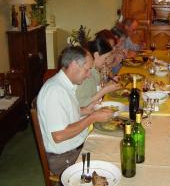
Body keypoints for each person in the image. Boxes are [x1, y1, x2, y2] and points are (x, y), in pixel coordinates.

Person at [37, 46, 114, 175]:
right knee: (111, 166)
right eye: (87, 69)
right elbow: (59, 135)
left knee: (112, 145)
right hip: (65, 158)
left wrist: (86, 110)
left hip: (77, 146)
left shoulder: (65, 85)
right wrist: (93, 117)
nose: (89, 75)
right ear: (74, 65)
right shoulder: (55, 91)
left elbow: (65, 112)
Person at [76, 35, 121, 108]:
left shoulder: (95, 70)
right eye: (106, 58)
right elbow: (81, 104)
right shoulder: (87, 74)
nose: (107, 61)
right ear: (96, 55)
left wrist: (108, 85)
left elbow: (94, 92)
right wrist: (104, 91)